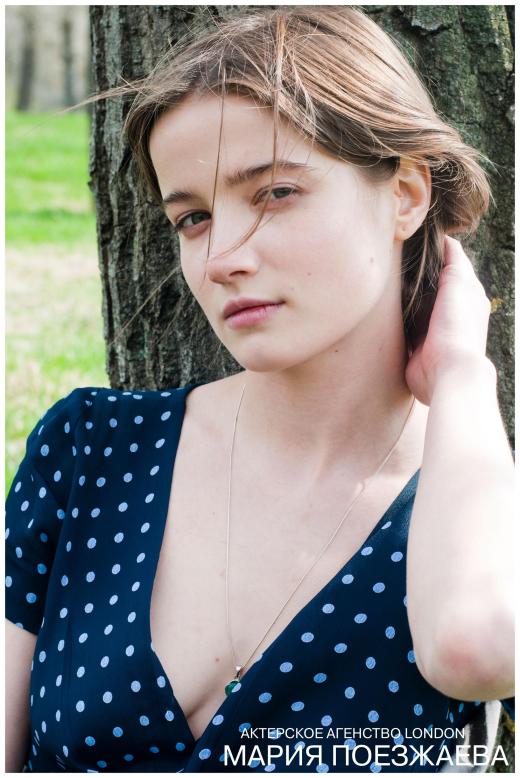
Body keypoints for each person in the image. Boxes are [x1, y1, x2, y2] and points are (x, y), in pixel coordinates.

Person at [5, 7, 514, 774]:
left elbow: (478, 649)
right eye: (193, 217)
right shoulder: (92, 450)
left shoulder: (475, 514)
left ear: (406, 195)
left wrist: (463, 372)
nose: (221, 258)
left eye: (274, 192)